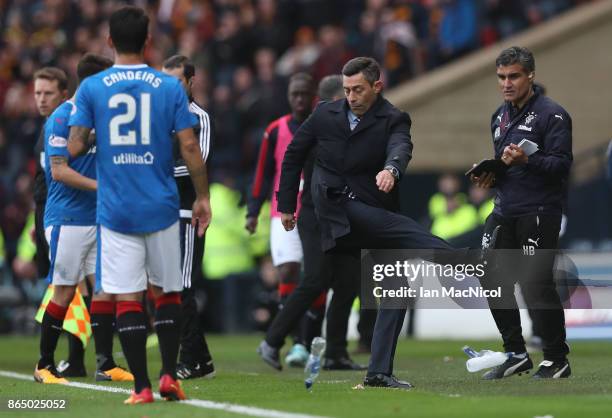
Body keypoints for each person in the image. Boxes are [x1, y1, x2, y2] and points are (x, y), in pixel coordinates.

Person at [278, 57, 473, 390]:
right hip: (336, 207)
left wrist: (391, 170)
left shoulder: (394, 118)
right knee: (403, 230)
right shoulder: (326, 113)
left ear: (377, 86)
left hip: (371, 211)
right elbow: (294, 153)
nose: (351, 96)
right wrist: (285, 205)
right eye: (346, 89)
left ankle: (378, 372)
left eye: (358, 89)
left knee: (397, 285)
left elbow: (401, 147)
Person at [68, 6, 211, 404]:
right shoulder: (167, 86)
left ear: (110, 41)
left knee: (129, 297)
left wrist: (96, 135)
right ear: (148, 41)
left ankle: (142, 387)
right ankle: (169, 376)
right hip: (163, 206)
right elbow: (188, 146)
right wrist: (202, 197)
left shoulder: (94, 87)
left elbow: (77, 143)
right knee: (166, 293)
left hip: (116, 209)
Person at [471, 46, 572, 379]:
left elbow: (561, 166)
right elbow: (506, 166)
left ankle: (557, 359)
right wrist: (490, 173)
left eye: (513, 76)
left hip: (539, 210)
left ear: (530, 75)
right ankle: (515, 353)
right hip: (504, 208)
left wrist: (529, 159)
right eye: (501, 77)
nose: (506, 83)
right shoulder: (498, 117)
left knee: (535, 283)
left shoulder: (552, 115)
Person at [34, 53, 134, 384]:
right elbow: (59, 172)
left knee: (104, 291)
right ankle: (44, 365)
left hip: (98, 218)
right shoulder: (61, 119)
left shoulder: (103, 118)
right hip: (67, 218)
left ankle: (105, 363)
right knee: (63, 291)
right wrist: (102, 186)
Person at [257, 74, 367, 371]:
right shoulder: (318, 126)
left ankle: (335, 353)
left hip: (342, 216)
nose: (355, 101)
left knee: (347, 283)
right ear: (337, 99)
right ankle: (272, 340)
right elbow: (290, 162)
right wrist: (287, 206)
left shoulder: (352, 126)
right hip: (316, 215)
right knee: (315, 279)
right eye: (350, 95)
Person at [246, 72, 320, 367]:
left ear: (313, 95)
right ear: (289, 97)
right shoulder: (275, 130)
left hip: (316, 211)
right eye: (295, 95)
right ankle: (293, 339)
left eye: (305, 94)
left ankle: (305, 342)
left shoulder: (322, 126)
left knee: (315, 277)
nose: (300, 99)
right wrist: (253, 210)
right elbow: (263, 171)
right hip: (283, 212)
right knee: (288, 272)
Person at [31, 67, 90, 377]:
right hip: (49, 212)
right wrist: (34, 219)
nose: (41, 99)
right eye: (38, 93)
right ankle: (69, 357)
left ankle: (76, 357)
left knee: (73, 286)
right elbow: (45, 178)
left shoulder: (68, 123)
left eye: (48, 93)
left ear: (64, 94)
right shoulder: (47, 126)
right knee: (65, 286)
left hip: (69, 214)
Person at [162, 54, 215, 380]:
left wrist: (154, 172)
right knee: (165, 288)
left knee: (181, 287)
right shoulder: (158, 116)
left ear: (191, 82)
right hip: (159, 214)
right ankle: (201, 359)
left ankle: (191, 360)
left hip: (186, 213)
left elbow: (197, 162)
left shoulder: (198, 118)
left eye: (177, 81)